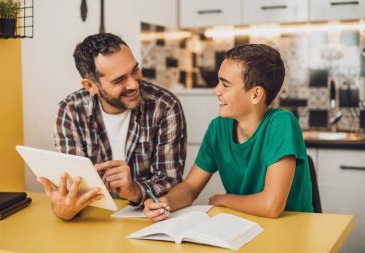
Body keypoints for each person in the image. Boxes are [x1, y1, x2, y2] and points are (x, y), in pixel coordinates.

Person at [144, 44, 314, 221]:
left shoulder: (282, 123)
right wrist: (164, 202)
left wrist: (224, 199)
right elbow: (190, 187)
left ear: (256, 95)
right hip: (244, 224)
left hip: (290, 228)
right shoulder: (218, 128)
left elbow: (271, 207)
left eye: (225, 85)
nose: (216, 90)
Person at [37, 33, 187, 220]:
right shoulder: (70, 111)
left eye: (135, 70)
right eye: (119, 80)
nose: (133, 84)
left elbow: (170, 181)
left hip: (146, 219)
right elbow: (72, 187)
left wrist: (135, 191)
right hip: (94, 220)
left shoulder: (164, 105)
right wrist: (63, 209)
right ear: (90, 85)